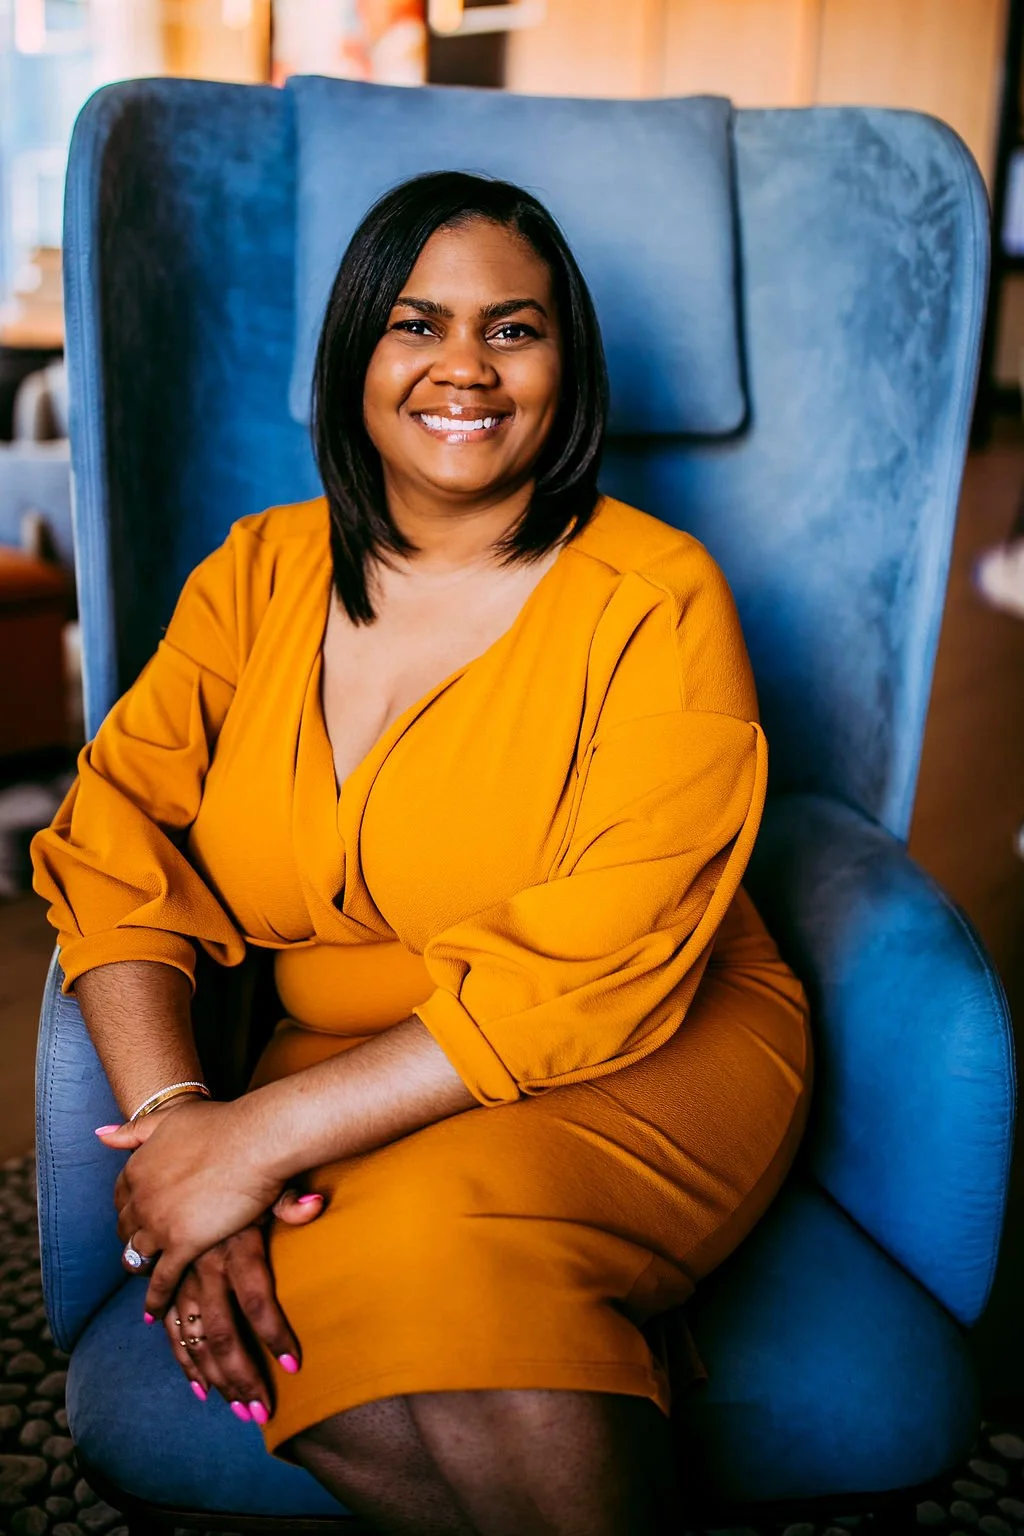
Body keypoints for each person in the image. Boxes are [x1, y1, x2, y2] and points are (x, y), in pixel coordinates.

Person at [31, 171, 813, 1536]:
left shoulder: (657, 595)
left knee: (439, 1248)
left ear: (568, 364)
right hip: (342, 1065)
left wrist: (254, 1145)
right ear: (356, 356)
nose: (466, 365)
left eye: (515, 328)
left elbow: (606, 953)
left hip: (648, 1035)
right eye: (418, 323)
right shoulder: (256, 574)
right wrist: (178, 1132)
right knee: (324, 1287)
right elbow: (111, 835)